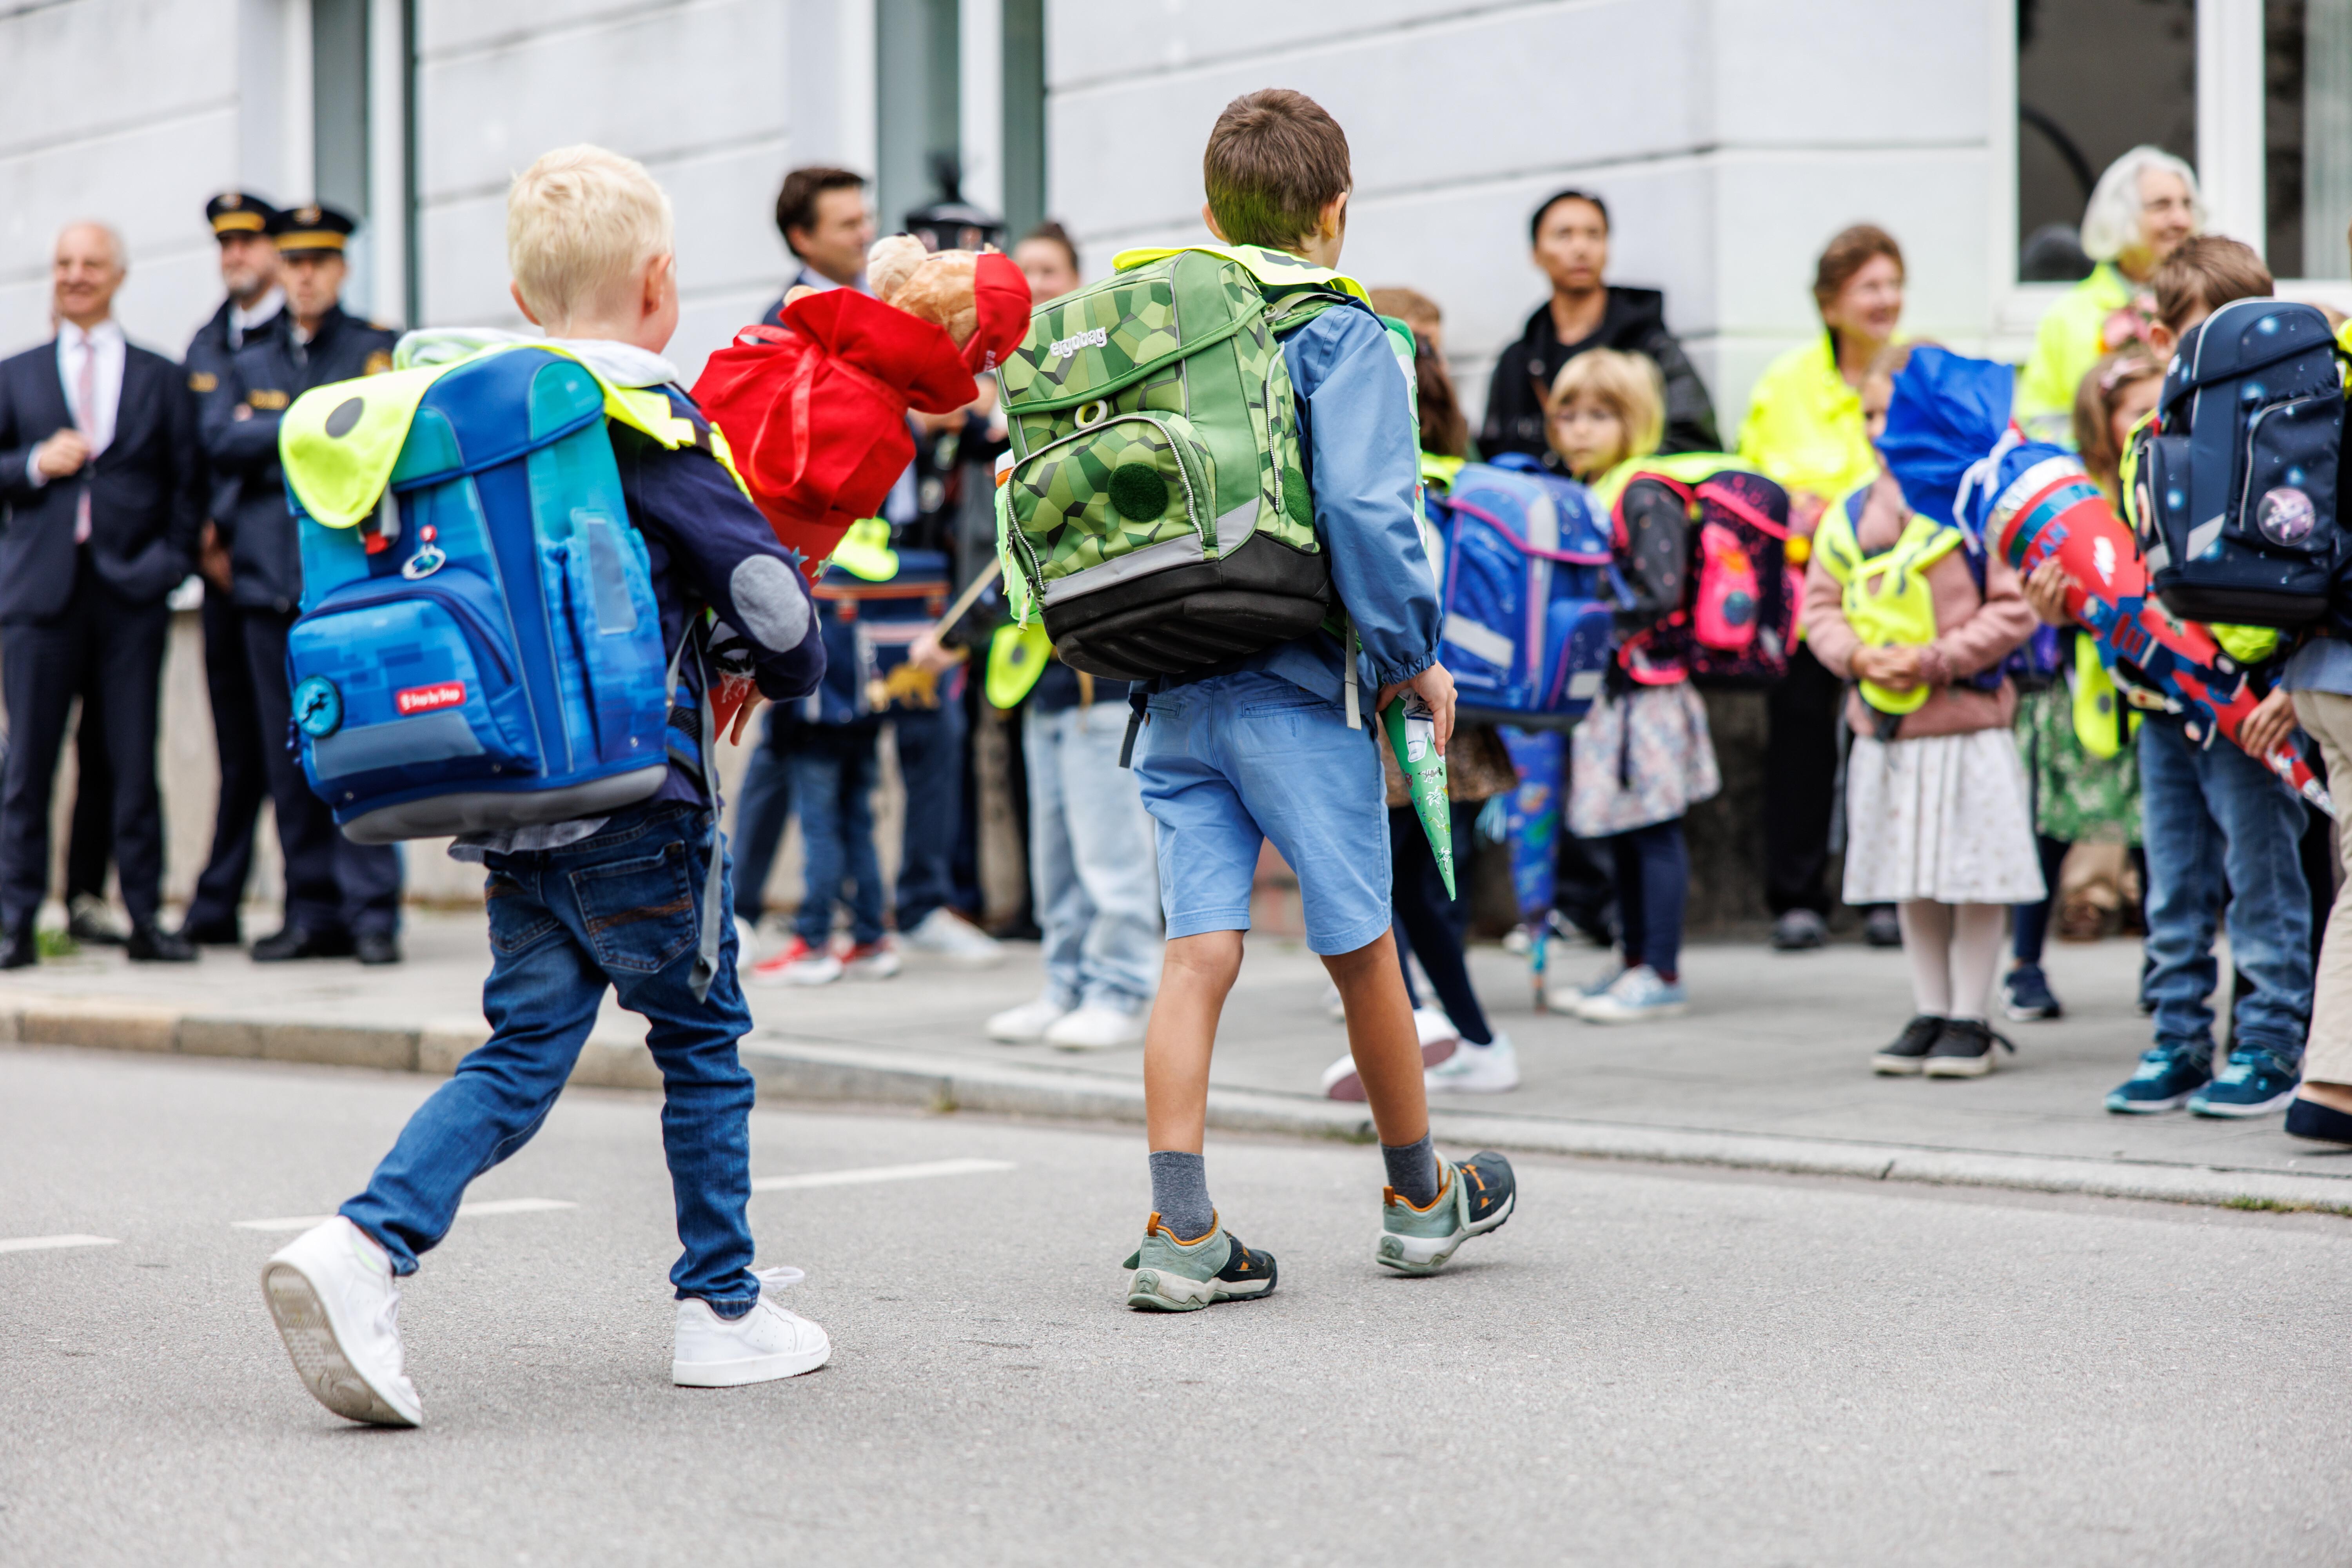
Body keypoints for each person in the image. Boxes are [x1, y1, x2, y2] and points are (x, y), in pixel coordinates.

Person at [258, 145, 833, 1428]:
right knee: (700, 1046)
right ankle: (722, 1308)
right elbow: (769, 609)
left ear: (523, 302)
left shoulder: (457, 418)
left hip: (509, 806)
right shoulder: (640, 421)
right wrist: (795, 658)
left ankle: (364, 1248)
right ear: (662, 283)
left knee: (522, 1053)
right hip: (645, 810)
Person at [1125, 89, 1516, 1310]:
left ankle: (1179, 1228)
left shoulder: (1157, 322)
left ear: (1207, 215)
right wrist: (1411, 652)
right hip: (1297, 685)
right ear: (1336, 211)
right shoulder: (1345, 333)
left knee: (1196, 953)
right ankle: (1417, 1196)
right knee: (1361, 949)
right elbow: (1365, 514)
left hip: (1169, 681)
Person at [2042, 237, 2312, 1116]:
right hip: (2164, 706)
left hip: (2257, 706)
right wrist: (2068, 602)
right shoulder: (2147, 441)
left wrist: (2290, 685)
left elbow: (2318, 573)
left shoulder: (2296, 430)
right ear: (2163, 342)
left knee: (2263, 880)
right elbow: (2131, 579)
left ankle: (2271, 1040)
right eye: (2208, 335)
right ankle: (2178, 1038)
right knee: (2175, 882)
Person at [1808, 346, 2044, 1077]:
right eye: (1872, 413)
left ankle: (1972, 1015)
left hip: (1966, 726)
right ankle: (1930, 1007)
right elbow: (1818, 606)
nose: (1882, 429)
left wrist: (1937, 659)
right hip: (1889, 730)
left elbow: (2017, 610)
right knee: (1911, 873)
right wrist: (1855, 657)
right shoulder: (1850, 515)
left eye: (1896, 413)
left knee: (1976, 874)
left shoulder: (1979, 504)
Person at [205, 204, 407, 964]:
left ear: (342, 268)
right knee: (290, 757)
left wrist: (279, 429)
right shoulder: (251, 356)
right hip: (265, 585)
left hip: (349, 587)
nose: (307, 276)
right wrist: (309, 424)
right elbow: (220, 442)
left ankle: (372, 911)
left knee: (365, 747)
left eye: (321, 262)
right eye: (295, 263)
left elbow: (374, 434)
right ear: (279, 268)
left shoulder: (373, 348)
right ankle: (311, 908)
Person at [0, 223, 202, 967]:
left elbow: (187, 483)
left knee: (129, 760)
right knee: (27, 768)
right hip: (37, 597)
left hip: (131, 596)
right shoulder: (15, 374)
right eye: (62, 264)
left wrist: (169, 566)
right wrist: (31, 463)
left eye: (89, 264)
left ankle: (145, 917)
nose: (74, 275)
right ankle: (14, 922)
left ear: (117, 275)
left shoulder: (160, 375)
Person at [985, 227, 1163, 1050]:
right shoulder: (1012, 400)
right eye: (1025, 276)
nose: (1037, 288)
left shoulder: (1098, 386)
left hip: (1102, 668)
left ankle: (1123, 986)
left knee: (1110, 847)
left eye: (1050, 273)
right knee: (1057, 853)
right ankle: (1066, 982)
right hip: (1040, 670)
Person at [1739, 224, 1909, 952]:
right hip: (1810, 599)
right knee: (1802, 746)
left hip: (1902, 599)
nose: (1886, 299)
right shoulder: (1787, 383)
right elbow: (1757, 483)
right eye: (1869, 286)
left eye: (1893, 283)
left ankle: (1887, 894)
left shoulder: (1915, 373)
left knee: (1890, 746)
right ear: (1830, 301)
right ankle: (1797, 896)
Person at [1539, 349, 1719, 1022]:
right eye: (1570, 415)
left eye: (1601, 415)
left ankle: (1661, 970)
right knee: (1621, 832)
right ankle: (1635, 960)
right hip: (1613, 695)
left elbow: (1659, 593)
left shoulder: (1642, 491)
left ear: (1635, 420)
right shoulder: (1604, 489)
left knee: (1653, 832)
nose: (1581, 430)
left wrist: (1578, 623)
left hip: (1647, 695)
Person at [2002, 345, 2157, 1021]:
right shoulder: (2074, 496)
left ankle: (2166, 968)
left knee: (2162, 836)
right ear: (2104, 419)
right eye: (2140, 411)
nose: (2156, 420)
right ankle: (2024, 965)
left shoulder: (2167, 478)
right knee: (2049, 830)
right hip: (2076, 690)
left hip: (2155, 688)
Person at [177, 191, 284, 948]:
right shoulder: (207, 342)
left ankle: (310, 900)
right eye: (226, 245)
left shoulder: (299, 340)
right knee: (237, 749)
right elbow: (193, 453)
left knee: (291, 741)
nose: (235, 257)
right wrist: (196, 543)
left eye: (248, 243)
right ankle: (219, 901)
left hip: (281, 570)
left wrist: (248, 434)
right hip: (219, 577)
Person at [1480, 188, 1718, 463]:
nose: (1581, 249)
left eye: (1594, 235)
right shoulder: (1517, 361)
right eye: (1563, 235)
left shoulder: (1650, 346)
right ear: (1535, 253)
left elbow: (1696, 444)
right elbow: (1493, 454)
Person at [2013, 146, 2201, 445]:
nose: (2181, 219)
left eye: (2187, 204)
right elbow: (2037, 424)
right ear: (2119, 216)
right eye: (2162, 206)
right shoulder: (2067, 316)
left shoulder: (2206, 305)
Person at [762, 165, 874, 322]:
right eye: (849, 225)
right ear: (802, 239)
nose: (867, 234)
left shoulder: (895, 293)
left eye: (866, 220)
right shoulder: (786, 322)